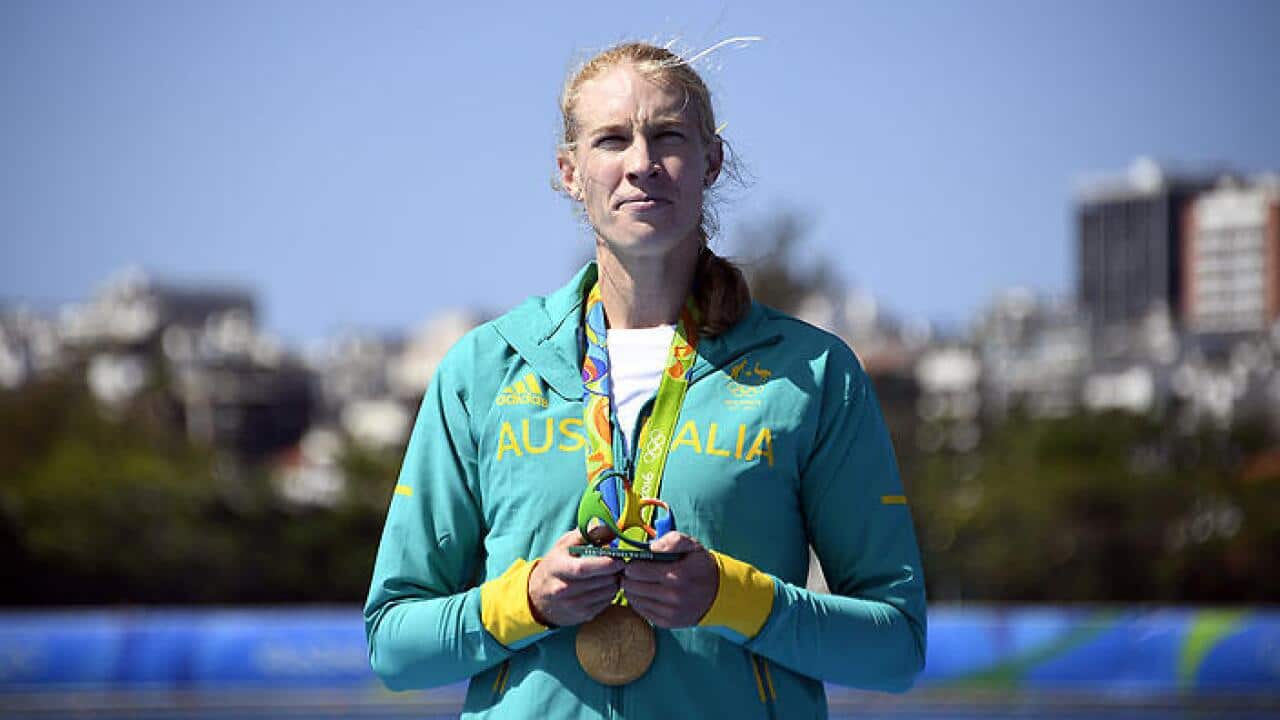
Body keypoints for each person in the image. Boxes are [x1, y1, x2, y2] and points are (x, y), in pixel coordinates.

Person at [364, 41, 927, 718]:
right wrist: (528, 600)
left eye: (667, 137)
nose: (640, 165)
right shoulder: (483, 369)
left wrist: (731, 597)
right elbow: (394, 647)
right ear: (570, 172)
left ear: (711, 161)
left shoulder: (811, 373)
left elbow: (895, 649)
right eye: (610, 140)